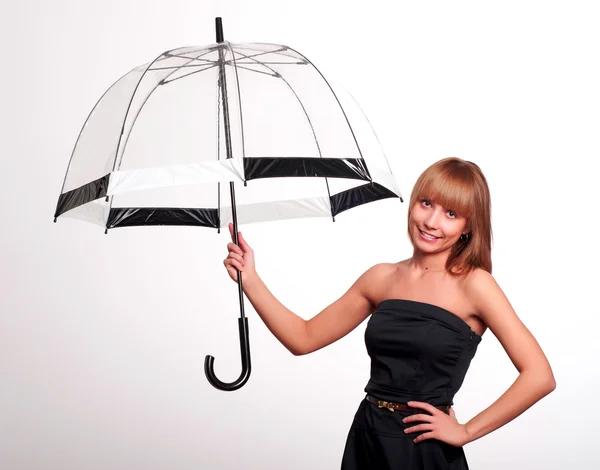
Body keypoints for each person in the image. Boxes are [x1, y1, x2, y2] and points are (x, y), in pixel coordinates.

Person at [223, 157, 556, 469]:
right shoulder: (380, 277)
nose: (431, 221)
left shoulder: (475, 284)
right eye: (426, 203)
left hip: (422, 448)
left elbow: (539, 376)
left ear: (468, 226)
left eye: (451, 214)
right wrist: (250, 280)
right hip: (367, 436)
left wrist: (465, 431)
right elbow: (304, 337)